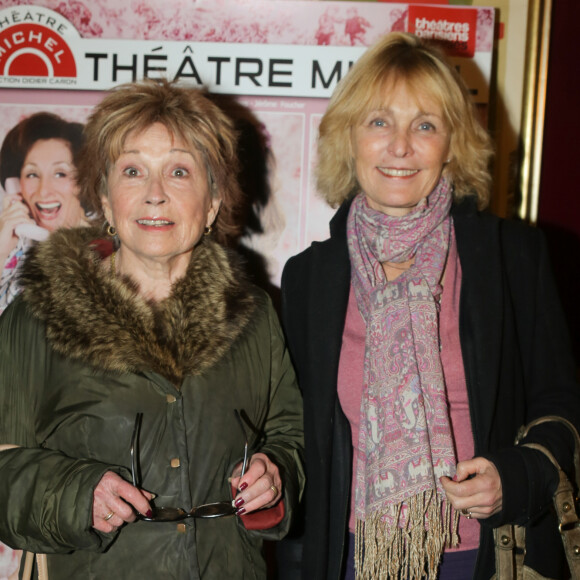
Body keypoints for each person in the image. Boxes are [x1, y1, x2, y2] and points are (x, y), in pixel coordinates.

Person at [280, 32, 580, 579]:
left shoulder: (511, 256)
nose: (400, 147)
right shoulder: (309, 278)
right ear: (349, 137)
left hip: (485, 556)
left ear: (452, 142)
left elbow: (562, 400)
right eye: (378, 122)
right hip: (354, 556)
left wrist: (516, 477)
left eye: (425, 124)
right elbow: (299, 437)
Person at [0, 78, 304, 579]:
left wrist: (276, 475)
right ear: (103, 194)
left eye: (179, 171)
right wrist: (77, 493)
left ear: (211, 204)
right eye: (133, 171)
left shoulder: (253, 315)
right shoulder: (38, 315)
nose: (155, 195)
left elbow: (288, 434)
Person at [0, 111, 88, 313]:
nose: (44, 190)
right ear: (15, 184)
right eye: (32, 174)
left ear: (83, 182)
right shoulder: (12, 246)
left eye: (60, 174)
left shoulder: (110, 247)